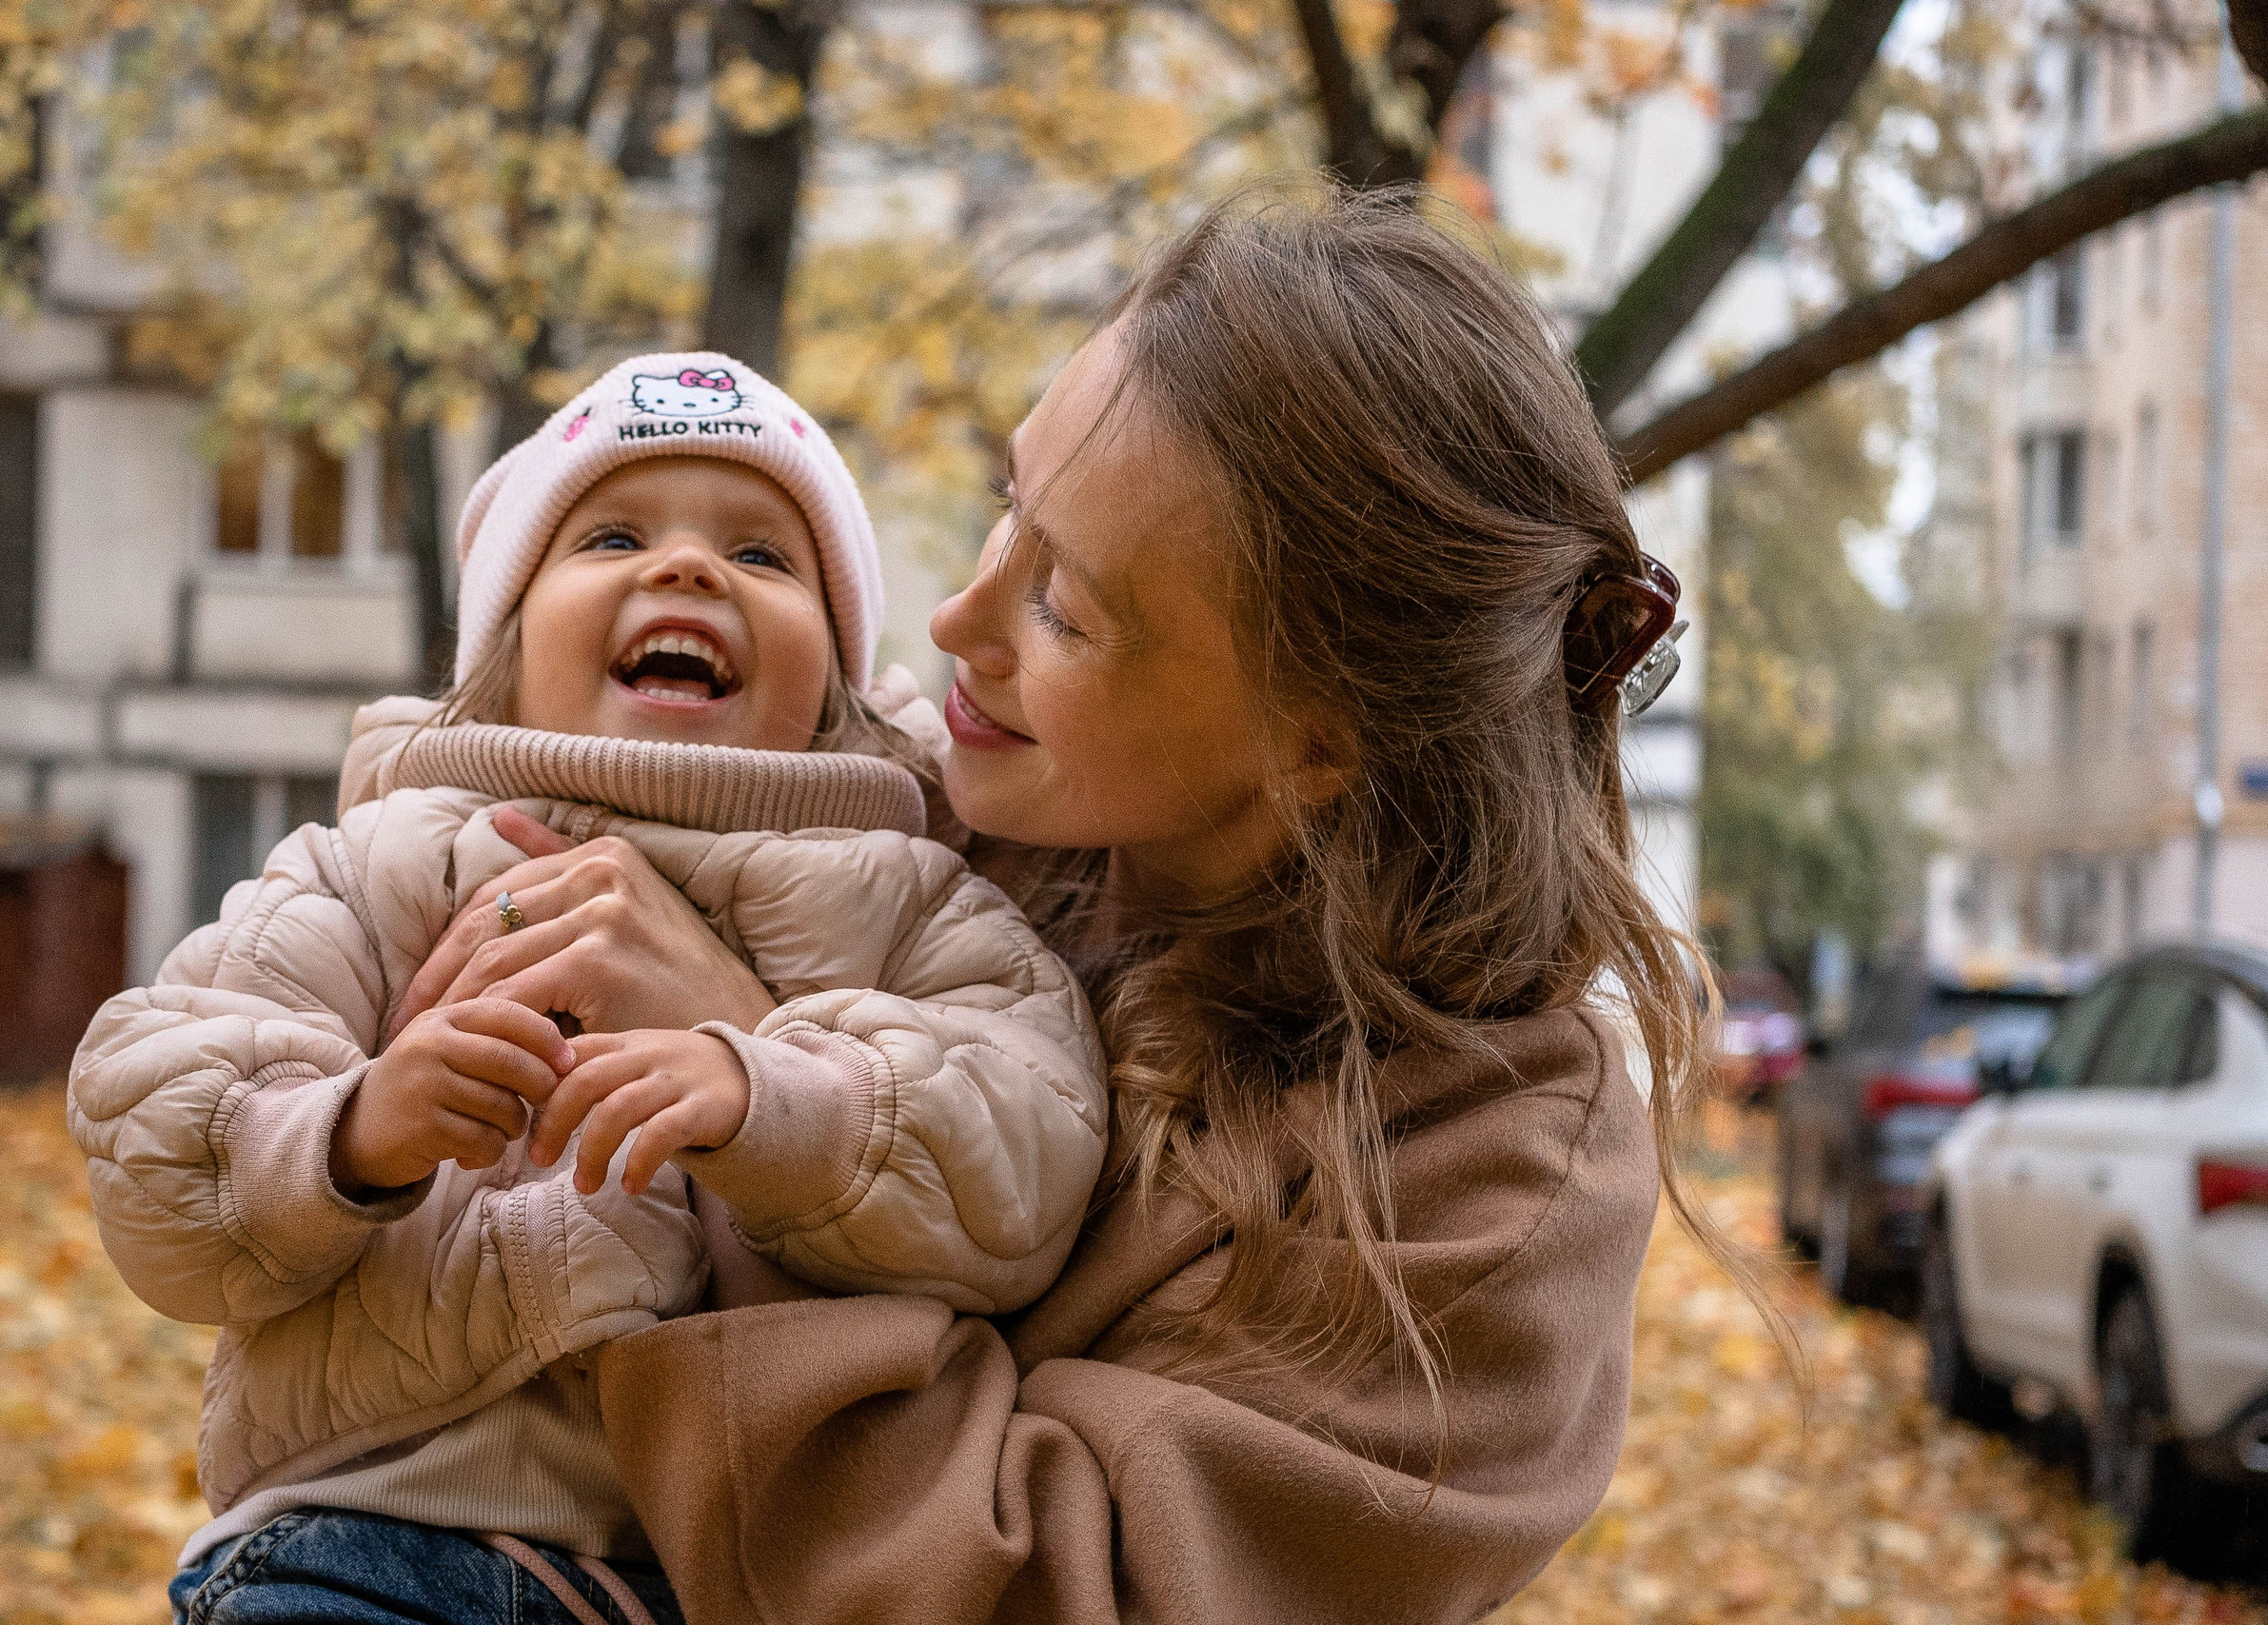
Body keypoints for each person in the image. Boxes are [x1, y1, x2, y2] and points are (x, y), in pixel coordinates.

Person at [393, 188, 1716, 1624]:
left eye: (1065, 607)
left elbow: (1057, 1596)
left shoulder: (1489, 1181)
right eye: (1011, 500)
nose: (959, 619)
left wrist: (770, 1099)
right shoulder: (887, 810)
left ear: (1319, 737)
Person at [67, 352, 1109, 1625]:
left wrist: (768, 1082)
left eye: (766, 557)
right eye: (613, 534)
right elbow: (155, 1138)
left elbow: (1028, 1161)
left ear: (836, 686)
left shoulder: (908, 890)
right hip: (373, 1537)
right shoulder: (383, 860)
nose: (686, 568)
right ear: (502, 653)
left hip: (732, 1576)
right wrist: (349, 1131)